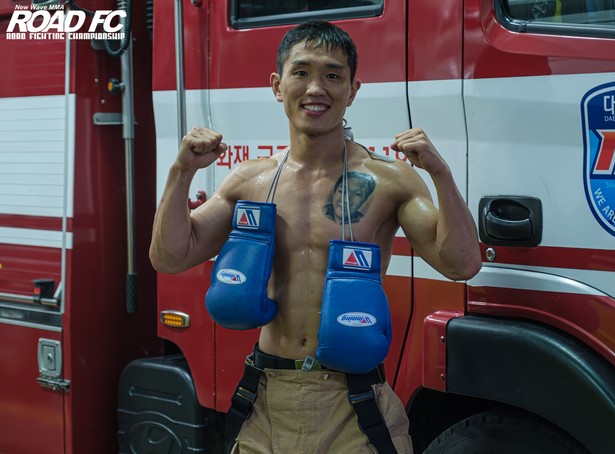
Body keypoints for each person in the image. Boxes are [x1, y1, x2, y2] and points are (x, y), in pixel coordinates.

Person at [149, 20, 481, 454]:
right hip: (268, 398)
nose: (316, 88)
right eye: (301, 72)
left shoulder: (389, 180)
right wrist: (181, 172)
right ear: (277, 85)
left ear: (353, 90)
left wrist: (441, 173)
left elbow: (461, 264)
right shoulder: (250, 180)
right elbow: (170, 257)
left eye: (333, 75)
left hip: (354, 405)